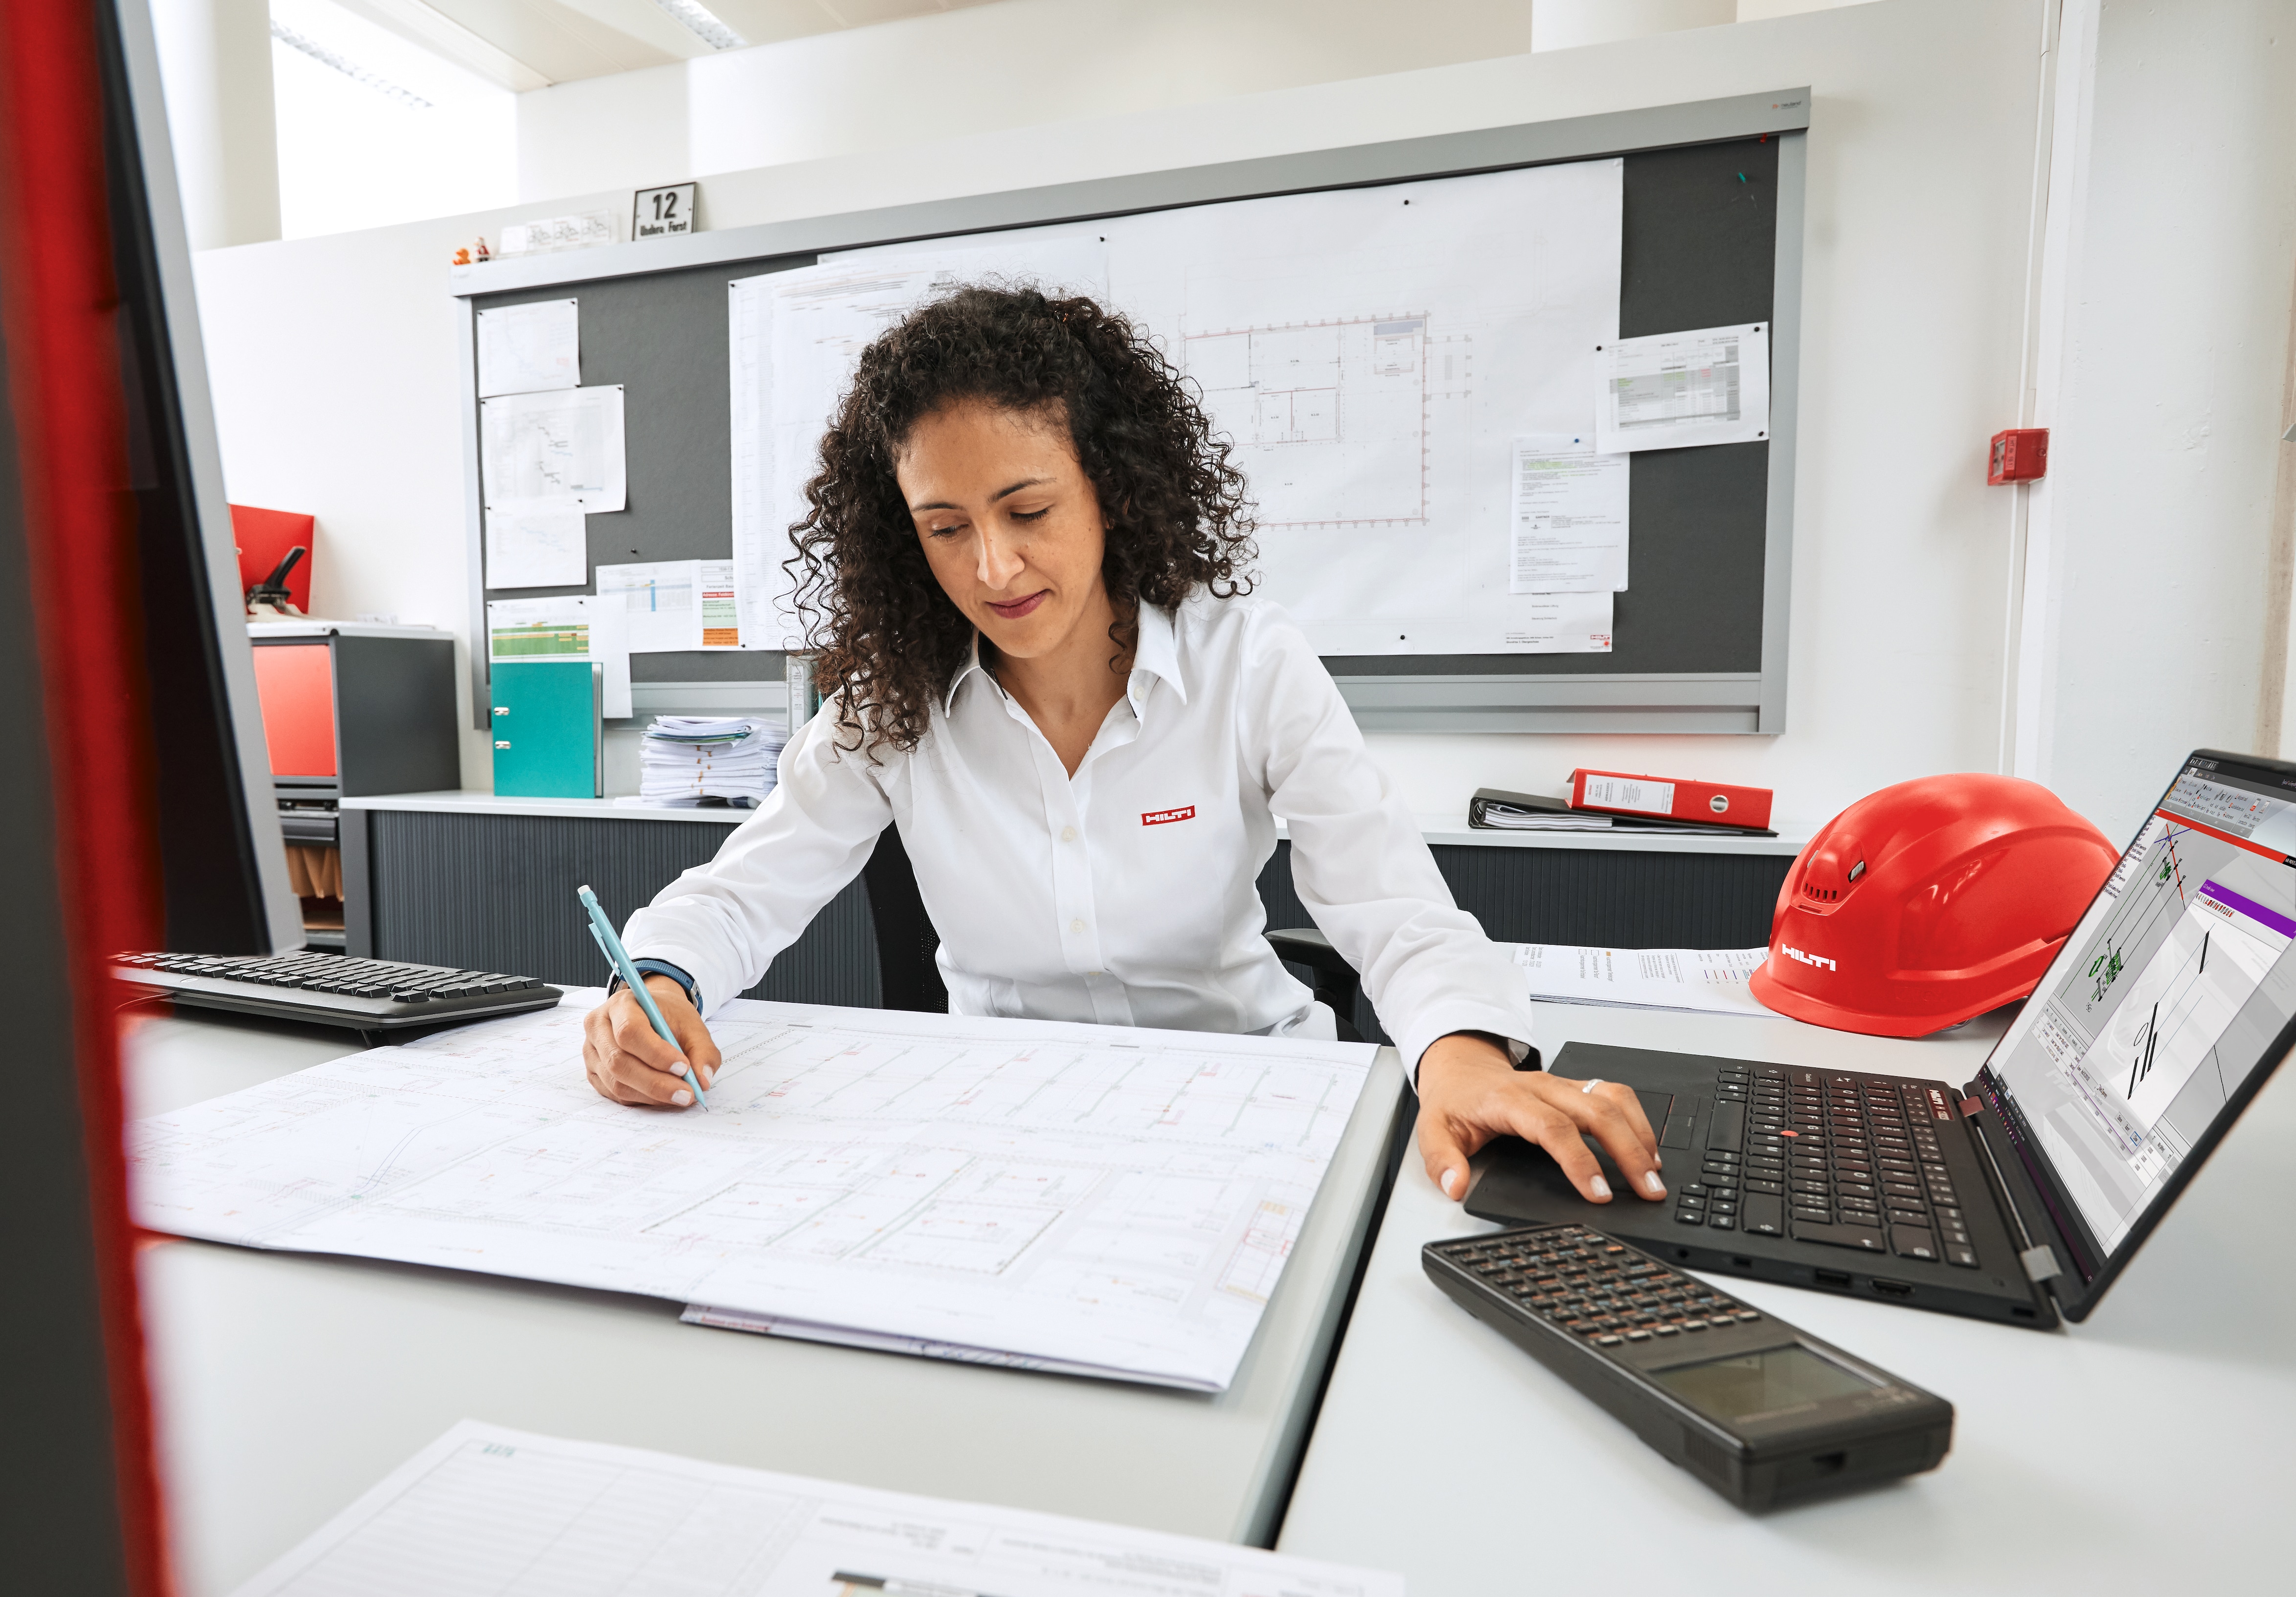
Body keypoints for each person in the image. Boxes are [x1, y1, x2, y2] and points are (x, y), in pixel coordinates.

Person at [581, 287, 1663, 1208]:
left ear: (1110, 486)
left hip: (1252, 1108)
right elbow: (741, 891)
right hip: (1000, 1128)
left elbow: (1395, 910)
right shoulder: (892, 702)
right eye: (946, 526)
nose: (995, 567)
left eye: (1029, 507)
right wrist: (659, 984)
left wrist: (1462, 1054)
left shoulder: (1248, 664)